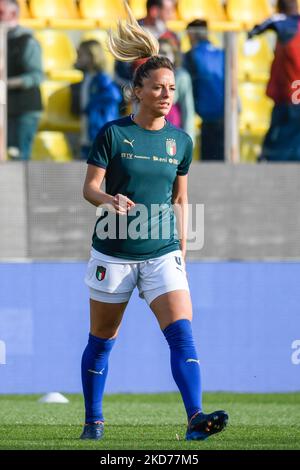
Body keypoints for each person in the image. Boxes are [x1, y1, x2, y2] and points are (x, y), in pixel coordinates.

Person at [80, 2, 228, 442]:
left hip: (162, 251)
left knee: (182, 333)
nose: (167, 94)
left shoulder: (181, 141)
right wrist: (108, 200)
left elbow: (181, 199)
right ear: (137, 91)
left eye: (171, 88)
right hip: (115, 250)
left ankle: (196, 419)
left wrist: (182, 249)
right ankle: (93, 422)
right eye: (158, 87)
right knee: (102, 340)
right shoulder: (113, 133)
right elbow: (89, 189)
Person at [248, 0, 300, 161]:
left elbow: (267, 23)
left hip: (292, 94)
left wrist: (252, 32)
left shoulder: (287, 24)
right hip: (288, 95)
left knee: (284, 137)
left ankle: (269, 161)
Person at [0, 0, 43, 160]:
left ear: (13, 14)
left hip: (24, 110)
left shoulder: (27, 41)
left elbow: (36, 76)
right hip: (6, 109)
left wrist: (6, 84)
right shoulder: (3, 39)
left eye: (1, 13)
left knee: (19, 158)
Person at [71, 40, 122, 159]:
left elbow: (114, 95)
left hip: (98, 129)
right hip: (88, 128)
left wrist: (91, 106)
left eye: (81, 55)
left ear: (92, 56)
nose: (78, 58)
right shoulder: (88, 77)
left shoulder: (101, 78)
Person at [184, 20, 225, 161]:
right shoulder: (222, 53)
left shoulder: (191, 55)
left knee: (209, 162)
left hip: (206, 115)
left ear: (192, 35)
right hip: (226, 114)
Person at [159, 36, 195, 143]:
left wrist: (188, 138)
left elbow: (187, 108)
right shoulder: (148, 76)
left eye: (165, 52)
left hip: (172, 129)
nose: (161, 56)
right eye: (158, 52)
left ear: (173, 55)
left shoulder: (181, 76)